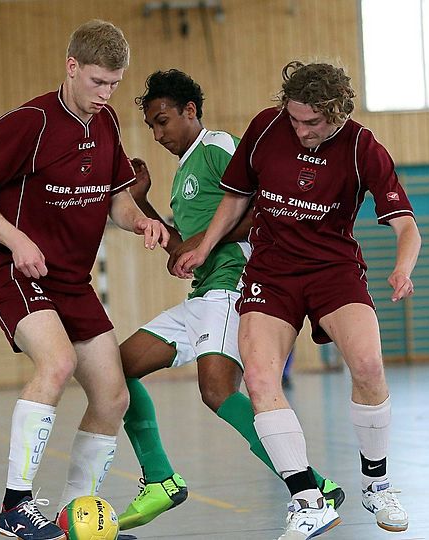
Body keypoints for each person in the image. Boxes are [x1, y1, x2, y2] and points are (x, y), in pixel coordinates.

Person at [175, 60, 422, 540]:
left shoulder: (361, 146)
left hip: (334, 270)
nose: (301, 130)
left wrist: (402, 268)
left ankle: (378, 482)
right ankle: (307, 500)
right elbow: (235, 198)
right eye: (294, 118)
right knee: (262, 377)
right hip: (273, 270)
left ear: (339, 113)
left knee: (369, 365)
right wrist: (204, 247)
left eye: (313, 122)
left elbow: (406, 225)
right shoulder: (266, 128)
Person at [0, 20, 168, 540]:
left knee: (113, 395)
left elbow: (117, 199)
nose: (105, 94)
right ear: (72, 68)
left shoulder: (109, 121)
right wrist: (17, 240)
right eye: (97, 82)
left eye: (114, 84)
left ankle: (78, 517)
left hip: (72, 278)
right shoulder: (28, 123)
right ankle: (15, 506)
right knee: (58, 362)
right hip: (12, 267)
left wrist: (139, 219)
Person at [114, 69, 344, 531]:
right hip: (202, 292)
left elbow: (264, 208)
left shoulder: (219, 147)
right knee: (116, 370)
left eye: (163, 121)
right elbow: (185, 246)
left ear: (190, 111)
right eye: (151, 127)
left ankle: (313, 485)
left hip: (233, 283)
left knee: (218, 390)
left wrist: (201, 242)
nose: (157, 135)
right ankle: (160, 478)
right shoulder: (184, 174)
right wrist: (144, 205)